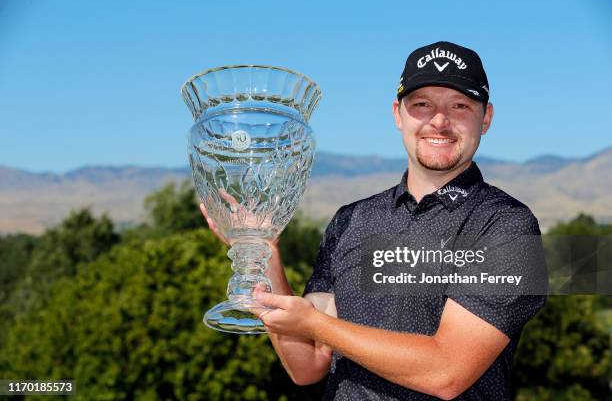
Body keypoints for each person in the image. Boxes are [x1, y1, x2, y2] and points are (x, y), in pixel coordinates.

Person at [201, 41, 547, 400]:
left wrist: (318, 324)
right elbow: (307, 366)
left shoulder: (507, 226)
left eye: (460, 105)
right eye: (422, 105)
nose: (440, 121)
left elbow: (447, 370)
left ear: (486, 117)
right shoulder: (351, 220)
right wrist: (265, 252)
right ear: (398, 114)